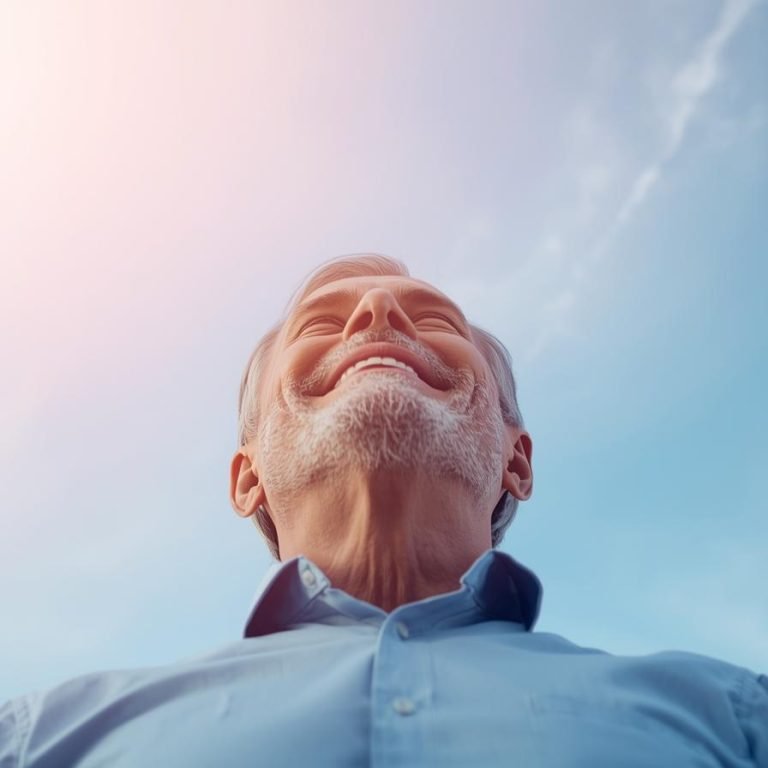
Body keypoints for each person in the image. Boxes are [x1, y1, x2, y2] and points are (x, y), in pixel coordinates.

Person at [1, 254, 766, 767]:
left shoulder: (736, 723)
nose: (375, 312)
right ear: (247, 477)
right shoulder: (40, 742)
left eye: (435, 320)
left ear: (518, 461)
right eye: (319, 325)